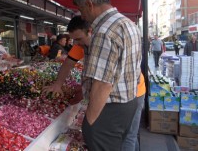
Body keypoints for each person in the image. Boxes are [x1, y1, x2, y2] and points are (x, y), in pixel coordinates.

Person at [43, 16, 145, 151]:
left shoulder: (105, 41)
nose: (76, 43)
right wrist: (58, 84)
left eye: (78, 38)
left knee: (128, 136)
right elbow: (68, 63)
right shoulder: (81, 44)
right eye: (73, 39)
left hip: (134, 92)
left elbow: (105, 82)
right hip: (109, 96)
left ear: (90, 31)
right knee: (114, 136)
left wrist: (89, 121)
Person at [72, 0, 141, 150]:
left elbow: (103, 83)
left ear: (89, 4)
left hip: (109, 108)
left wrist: (90, 122)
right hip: (129, 103)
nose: (82, 16)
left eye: (82, 10)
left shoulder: (104, 31)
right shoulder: (128, 23)